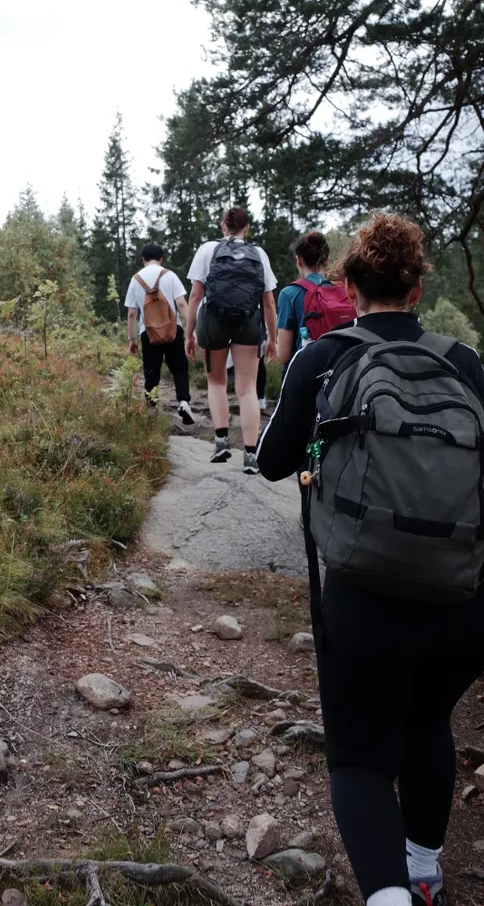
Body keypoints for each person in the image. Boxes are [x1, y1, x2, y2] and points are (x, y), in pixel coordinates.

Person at [258, 213, 484, 906]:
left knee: (357, 758)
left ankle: (388, 895)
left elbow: (271, 461)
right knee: (427, 723)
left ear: (351, 286)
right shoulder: (466, 362)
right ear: (416, 290)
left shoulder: (323, 359)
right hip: (461, 601)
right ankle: (422, 873)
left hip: (362, 595)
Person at [185, 206, 277, 470]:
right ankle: (250, 455)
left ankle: (222, 442)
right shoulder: (258, 254)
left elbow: (195, 296)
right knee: (247, 388)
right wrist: (271, 338)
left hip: (213, 321)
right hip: (248, 321)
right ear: (247, 228)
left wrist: (189, 334)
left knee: (216, 383)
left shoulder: (207, 250)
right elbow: (268, 301)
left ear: (222, 226)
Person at [125, 242, 194, 424]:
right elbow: (181, 304)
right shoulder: (169, 275)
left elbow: (132, 313)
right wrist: (190, 331)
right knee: (180, 370)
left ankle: (151, 412)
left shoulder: (136, 279)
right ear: (162, 259)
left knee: (151, 373)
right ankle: (184, 402)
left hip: (148, 334)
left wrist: (131, 339)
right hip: (173, 331)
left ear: (143, 260)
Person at [277, 230, 355, 369]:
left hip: (302, 375)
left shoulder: (289, 294)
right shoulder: (344, 290)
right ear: (327, 260)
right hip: (339, 374)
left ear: (299, 260)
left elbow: (283, 355)